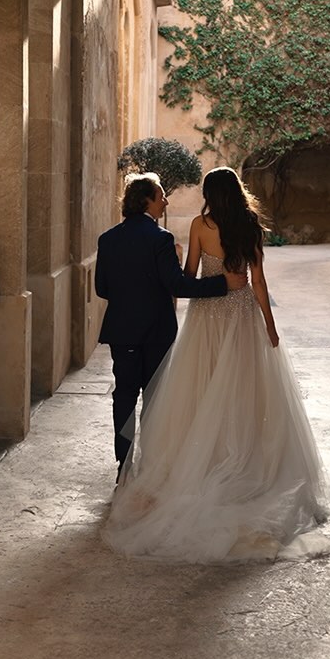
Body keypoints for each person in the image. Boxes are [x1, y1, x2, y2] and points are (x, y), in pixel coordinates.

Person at [103, 166, 330, 563]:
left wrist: (181, 285)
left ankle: (183, 462)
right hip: (242, 316)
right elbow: (258, 282)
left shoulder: (198, 225)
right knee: (244, 388)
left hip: (207, 319)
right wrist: (270, 326)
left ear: (209, 193)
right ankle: (242, 458)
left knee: (201, 388)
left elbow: (188, 274)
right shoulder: (249, 226)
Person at [95, 172, 229, 479]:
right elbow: (178, 285)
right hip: (156, 331)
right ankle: (151, 464)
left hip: (122, 330)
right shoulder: (161, 239)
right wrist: (223, 283)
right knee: (156, 398)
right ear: (146, 200)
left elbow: (102, 288)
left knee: (124, 396)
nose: (166, 201)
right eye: (161, 195)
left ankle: (124, 465)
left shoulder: (108, 239)